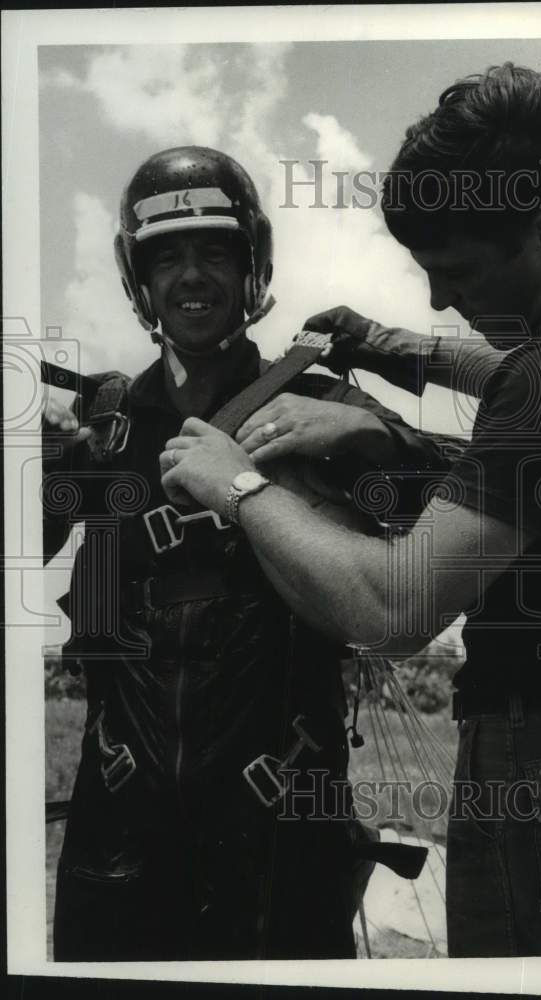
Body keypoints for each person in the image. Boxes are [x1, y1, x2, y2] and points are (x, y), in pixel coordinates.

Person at [161, 65, 541, 957]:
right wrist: (388, 351)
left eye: (455, 273)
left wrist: (236, 484)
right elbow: (519, 374)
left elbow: (392, 609)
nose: (437, 299)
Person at [42, 145, 444, 961]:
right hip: (120, 835)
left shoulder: (321, 404)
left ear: (251, 265)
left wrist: (374, 431)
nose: (191, 275)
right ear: (139, 278)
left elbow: (479, 497)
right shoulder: (103, 432)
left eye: (214, 252)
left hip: (279, 840)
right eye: (168, 256)